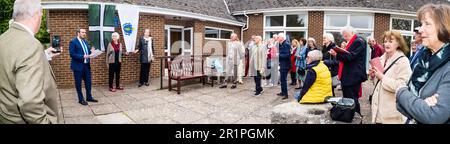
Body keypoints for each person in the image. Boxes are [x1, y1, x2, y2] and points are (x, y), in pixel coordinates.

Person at [0, 0, 60, 124]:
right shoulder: (31, 45)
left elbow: (13, 63)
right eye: (41, 15)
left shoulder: (3, 38)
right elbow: (30, 102)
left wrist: (44, 55)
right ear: (36, 15)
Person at [396, 4, 450, 124]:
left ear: (444, 27)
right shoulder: (424, 62)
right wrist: (421, 105)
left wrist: (401, 91)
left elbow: (434, 116)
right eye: (421, 24)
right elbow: (401, 107)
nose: (420, 30)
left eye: (427, 24)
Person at [369, 31, 412, 124]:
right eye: (385, 41)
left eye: (390, 41)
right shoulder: (381, 59)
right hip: (378, 112)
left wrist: (382, 77)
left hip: (392, 115)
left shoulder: (403, 61)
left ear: (398, 44)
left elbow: (402, 87)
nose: (387, 44)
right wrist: (373, 76)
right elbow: (378, 84)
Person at [329, 26, 368, 115]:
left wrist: (336, 54)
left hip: (353, 76)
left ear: (352, 33)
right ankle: (349, 115)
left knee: (352, 98)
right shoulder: (353, 41)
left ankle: (357, 117)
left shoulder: (358, 41)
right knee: (348, 98)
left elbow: (350, 57)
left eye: (346, 36)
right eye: (344, 36)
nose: (345, 38)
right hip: (349, 75)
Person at [69, 28, 99, 106]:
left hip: (86, 66)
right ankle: (81, 99)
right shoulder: (73, 42)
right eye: (82, 32)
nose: (84, 34)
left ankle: (89, 97)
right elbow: (72, 54)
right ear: (78, 33)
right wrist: (83, 56)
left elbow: (87, 52)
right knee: (78, 84)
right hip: (78, 66)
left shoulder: (85, 41)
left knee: (88, 82)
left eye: (85, 32)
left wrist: (92, 52)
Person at [276, 33, 292, 100]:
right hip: (282, 64)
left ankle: (286, 94)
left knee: (283, 80)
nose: (277, 38)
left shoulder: (286, 44)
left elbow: (287, 55)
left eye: (278, 37)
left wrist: (278, 55)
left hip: (285, 65)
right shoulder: (281, 44)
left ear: (282, 38)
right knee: (282, 79)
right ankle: (283, 92)